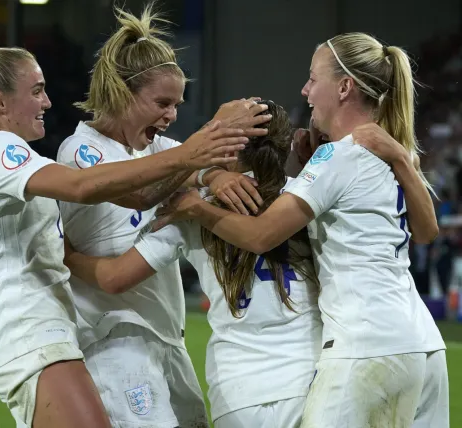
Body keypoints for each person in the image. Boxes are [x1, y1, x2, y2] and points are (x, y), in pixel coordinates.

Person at [0, 31, 249, 428]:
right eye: (36, 91)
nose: (47, 102)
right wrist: (190, 158)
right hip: (27, 329)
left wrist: (206, 170)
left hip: (43, 328)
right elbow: (84, 187)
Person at [153, 33, 449, 428]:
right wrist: (399, 156)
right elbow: (427, 232)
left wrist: (196, 206)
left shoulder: (336, 156)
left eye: (313, 78)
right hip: (424, 346)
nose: (305, 90)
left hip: (366, 345)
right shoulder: (385, 153)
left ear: (344, 87)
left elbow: (261, 236)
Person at [55, 4, 269, 427]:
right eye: (162, 102)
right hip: (112, 336)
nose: (171, 114)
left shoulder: (161, 149)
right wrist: (208, 141)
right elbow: (139, 193)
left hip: (165, 335)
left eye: (177, 104)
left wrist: (218, 176)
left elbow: (194, 166)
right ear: (121, 92)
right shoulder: (81, 151)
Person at [64, 101, 322, 428]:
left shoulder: (189, 207)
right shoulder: (306, 199)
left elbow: (115, 278)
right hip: (310, 379)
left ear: (225, 148)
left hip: (238, 391)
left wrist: (64, 252)